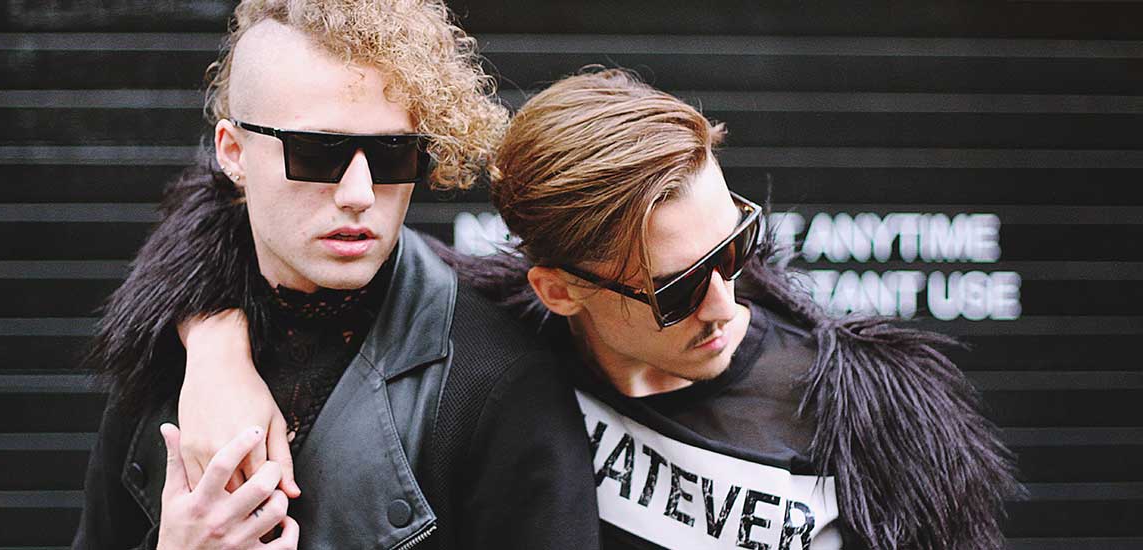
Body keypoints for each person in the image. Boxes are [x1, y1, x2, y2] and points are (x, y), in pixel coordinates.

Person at [159, 70, 1021, 549]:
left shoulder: (865, 415)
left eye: (735, 248)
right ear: (558, 290)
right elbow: (242, 208)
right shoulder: (488, 348)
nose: (726, 303)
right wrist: (215, 351)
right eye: (676, 288)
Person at [72, 1, 600, 549]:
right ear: (233, 153)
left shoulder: (494, 374)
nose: (359, 194)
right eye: (317, 152)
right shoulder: (168, 337)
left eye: (393, 154)